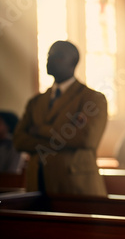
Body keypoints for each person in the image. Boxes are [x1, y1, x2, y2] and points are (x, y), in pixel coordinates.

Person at [14, 40, 108, 196]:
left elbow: (86, 139)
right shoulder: (36, 102)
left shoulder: (92, 99)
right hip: (38, 183)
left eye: (57, 56)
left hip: (75, 186)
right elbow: (19, 140)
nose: (49, 60)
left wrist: (40, 130)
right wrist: (61, 139)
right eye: (48, 55)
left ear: (73, 62)